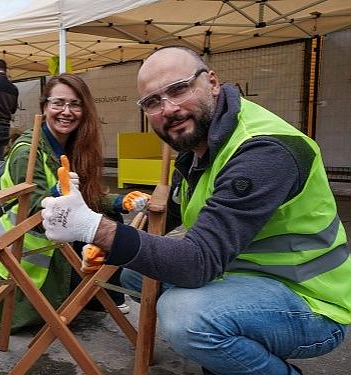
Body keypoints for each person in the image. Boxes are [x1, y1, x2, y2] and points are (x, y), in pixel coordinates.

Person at [40, 46, 350, 375]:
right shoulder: (199, 145)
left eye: (179, 88)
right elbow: (173, 208)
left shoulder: (262, 151)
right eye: (153, 102)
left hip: (311, 302)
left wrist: (93, 228)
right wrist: (115, 239)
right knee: (135, 274)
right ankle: (225, 357)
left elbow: (196, 262)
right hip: (244, 276)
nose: (169, 108)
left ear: (212, 82)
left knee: (184, 316)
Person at [0, 73, 148, 331]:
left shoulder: (74, 146)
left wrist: (121, 200)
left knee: (114, 219)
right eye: (58, 103)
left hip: (58, 249)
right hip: (28, 265)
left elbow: (86, 197)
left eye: (75, 104)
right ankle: (100, 294)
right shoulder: (26, 152)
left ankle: (98, 295)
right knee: (107, 230)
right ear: (44, 107)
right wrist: (57, 193)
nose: (67, 111)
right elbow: (33, 214)